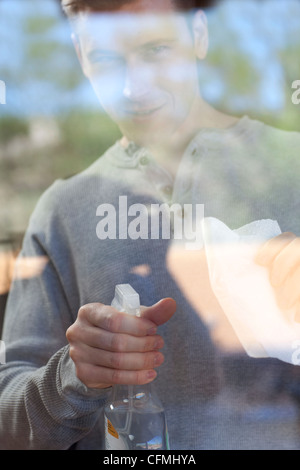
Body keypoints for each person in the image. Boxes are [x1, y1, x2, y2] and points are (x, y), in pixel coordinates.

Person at [0, 0, 300, 450]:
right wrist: (72, 377)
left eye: (156, 49)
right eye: (104, 60)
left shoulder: (293, 165)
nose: (132, 88)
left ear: (199, 34)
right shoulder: (62, 209)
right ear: (80, 54)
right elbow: (9, 420)